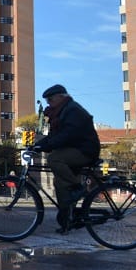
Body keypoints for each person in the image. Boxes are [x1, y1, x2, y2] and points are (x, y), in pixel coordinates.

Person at [33, 84, 101, 233]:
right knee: (60, 184)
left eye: (50, 99)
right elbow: (53, 136)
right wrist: (36, 146)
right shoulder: (60, 112)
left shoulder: (72, 110)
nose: (48, 103)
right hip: (74, 150)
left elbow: (67, 135)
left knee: (54, 159)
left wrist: (46, 146)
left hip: (85, 150)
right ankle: (67, 220)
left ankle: (77, 187)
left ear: (60, 96)